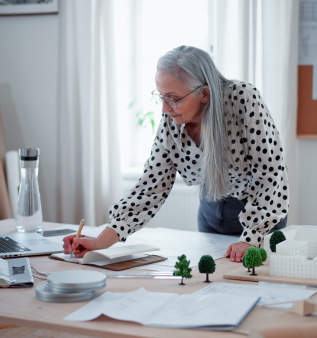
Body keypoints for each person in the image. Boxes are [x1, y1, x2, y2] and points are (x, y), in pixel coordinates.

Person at [63, 45, 289, 262]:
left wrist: (251, 238)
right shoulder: (172, 119)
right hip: (210, 213)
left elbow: (269, 172)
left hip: (260, 214)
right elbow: (151, 186)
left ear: (204, 94)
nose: (164, 108)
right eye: (160, 96)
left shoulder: (243, 99)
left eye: (173, 97)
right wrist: (100, 241)